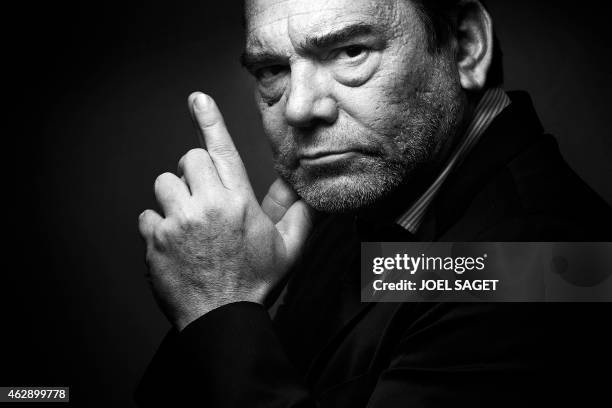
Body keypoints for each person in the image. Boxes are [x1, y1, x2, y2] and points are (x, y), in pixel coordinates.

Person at [135, 0, 612, 406]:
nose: (299, 108)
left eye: (351, 51)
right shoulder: (373, 189)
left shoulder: (547, 263)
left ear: (465, 46)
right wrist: (228, 296)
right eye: (273, 70)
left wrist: (219, 307)